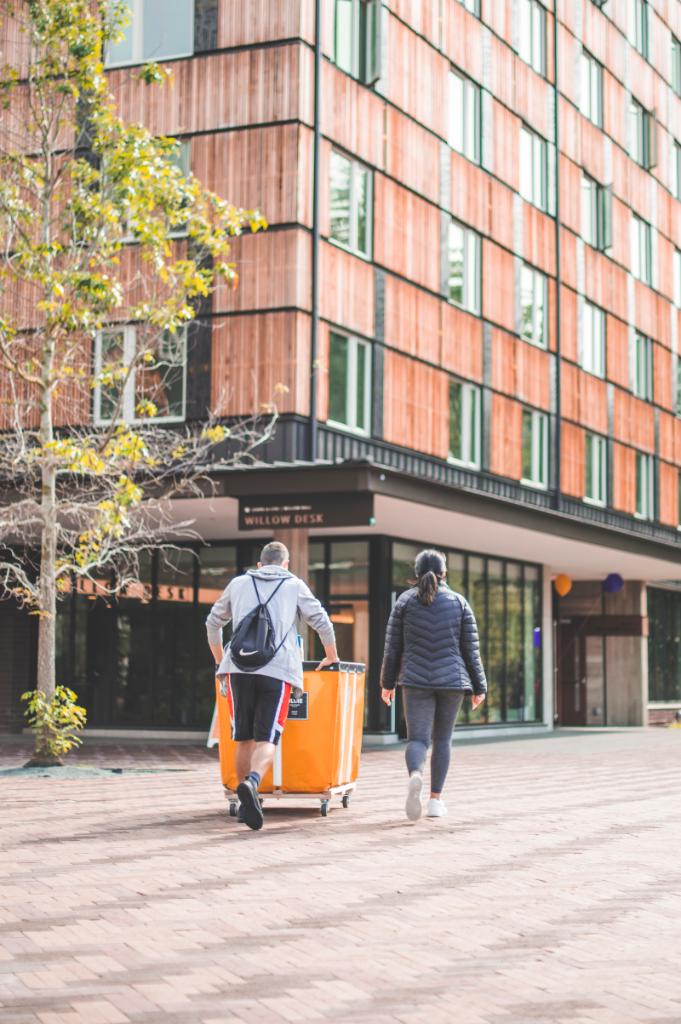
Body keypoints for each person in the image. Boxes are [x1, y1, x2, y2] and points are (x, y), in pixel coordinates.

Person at [206, 540, 339, 831]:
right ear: (286, 564)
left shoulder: (239, 583)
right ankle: (253, 784)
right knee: (267, 737)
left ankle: (244, 803)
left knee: (242, 736)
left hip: (238, 669)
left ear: (260, 564)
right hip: (277, 671)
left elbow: (213, 623)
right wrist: (332, 655)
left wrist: (220, 662)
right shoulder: (294, 585)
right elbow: (321, 621)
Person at [379, 549, 487, 821]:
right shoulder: (459, 602)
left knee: (417, 739)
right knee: (442, 740)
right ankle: (436, 802)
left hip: (415, 680)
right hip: (452, 681)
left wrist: (387, 683)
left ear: (416, 574)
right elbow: (471, 650)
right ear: (444, 573)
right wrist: (479, 687)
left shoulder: (404, 602)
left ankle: (415, 774)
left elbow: (392, 648)